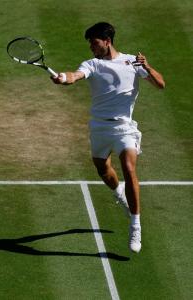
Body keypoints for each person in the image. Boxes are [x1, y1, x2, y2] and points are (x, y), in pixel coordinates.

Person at [52, 22, 165, 253]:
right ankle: (119, 194)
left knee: (129, 168)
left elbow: (160, 85)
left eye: (94, 43)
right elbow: (76, 75)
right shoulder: (92, 64)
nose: (92, 48)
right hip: (99, 128)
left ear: (107, 41)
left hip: (125, 128)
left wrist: (148, 67)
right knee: (103, 170)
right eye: (90, 44)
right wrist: (64, 77)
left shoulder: (133, 61)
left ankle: (135, 225)